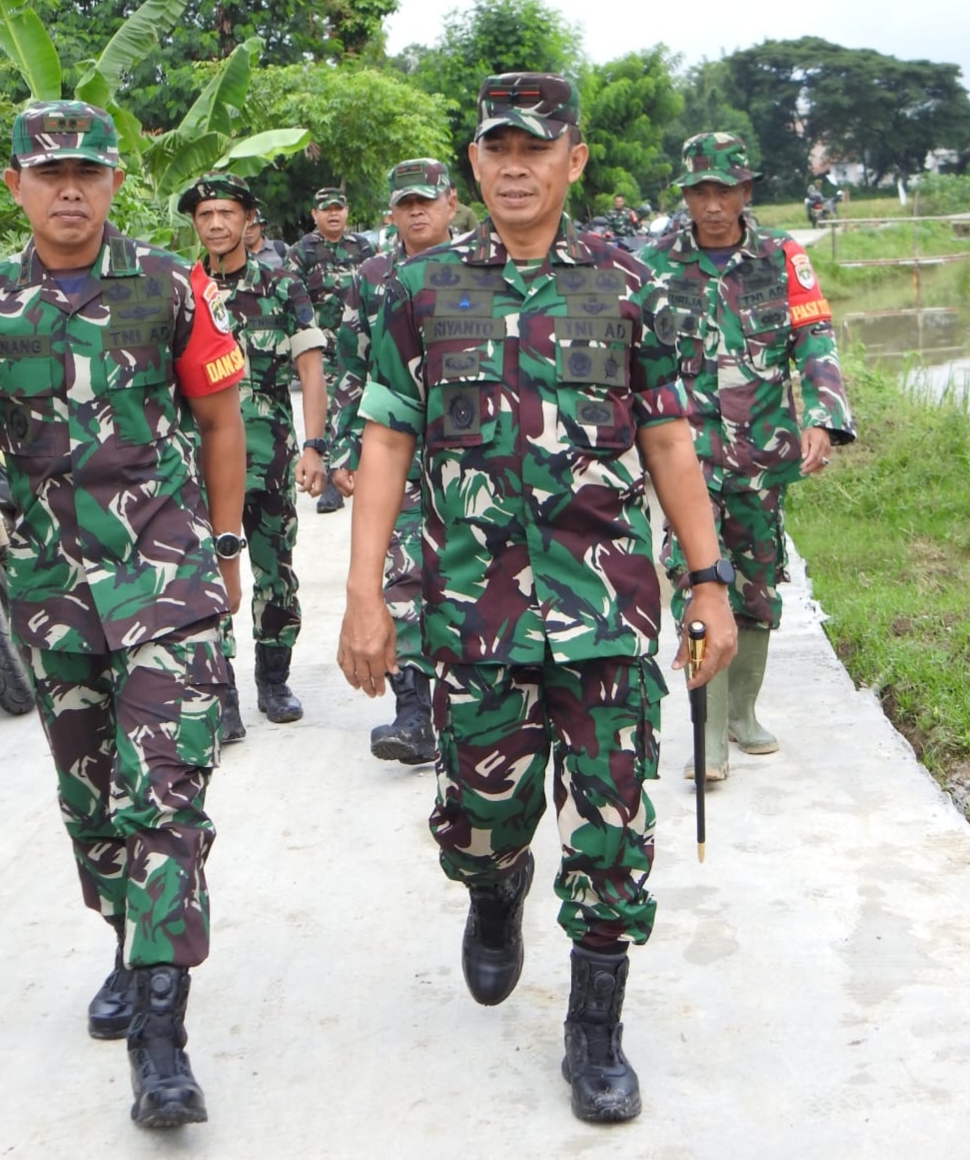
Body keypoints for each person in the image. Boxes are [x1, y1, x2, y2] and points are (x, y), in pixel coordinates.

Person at [337, 73, 737, 1124]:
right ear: (473, 163)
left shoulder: (627, 283)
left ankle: (593, 1029)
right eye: (495, 148)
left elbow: (666, 440)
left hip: (604, 608)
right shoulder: (421, 292)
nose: (513, 165)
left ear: (573, 160)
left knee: (611, 827)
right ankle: (491, 885)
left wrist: (708, 580)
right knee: (478, 816)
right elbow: (384, 438)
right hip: (472, 614)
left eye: (534, 147)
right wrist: (363, 592)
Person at [0, 101, 247, 1131]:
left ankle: (162, 1036)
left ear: (115, 180)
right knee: (91, 806)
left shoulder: (173, 285)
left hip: (166, 577)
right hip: (51, 590)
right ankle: (129, 941)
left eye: (87, 170)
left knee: (162, 797)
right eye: (49, 173)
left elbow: (220, 419)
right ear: (17, 186)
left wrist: (224, 548)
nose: (69, 188)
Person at [640, 132, 855, 781]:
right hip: (686, 467)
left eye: (723, 190)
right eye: (700, 190)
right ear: (686, 195)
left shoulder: (781, 258)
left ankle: (742, 715)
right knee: (697, 585)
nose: (712, 203)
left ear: (745, 191)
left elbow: (814, 339)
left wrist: (823, 418)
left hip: (761, 459)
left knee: (757, 588)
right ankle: (706, 738)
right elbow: (624, 361)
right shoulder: (654, 266)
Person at [179, 171, 329, 738]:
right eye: (205, 216)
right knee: (206, 574)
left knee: (275, 572)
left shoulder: (280, 282)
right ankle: (222, 695)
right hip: (200, 461)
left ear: (246, 220)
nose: (216, 224)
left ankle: (273, 679)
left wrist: (314, 445)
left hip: (269, 458)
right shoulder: (184, 286)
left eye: (226, 213)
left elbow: (310, 369)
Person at [330, 158, 457, 765]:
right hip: (396, 452)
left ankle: (462, 705)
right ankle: (412, 712)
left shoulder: (478, 268)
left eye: (426, 201)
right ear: (390, 211)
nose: (416, 211)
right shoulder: (372, 277)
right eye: (405, 202)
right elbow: (351, 369)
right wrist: (342, 448)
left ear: (450, 204)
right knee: (400, 575)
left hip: (468, 455)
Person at [285, 187, 374, 513]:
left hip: (358, 345)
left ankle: (359, 471)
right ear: (315, 214)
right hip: (321, 348)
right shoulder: (302, 251)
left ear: (346, 212)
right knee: (330, 410)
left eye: (338, 208)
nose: (333, 214)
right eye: (326, 209)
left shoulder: (363, 247)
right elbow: (291, 295)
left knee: (359, 411)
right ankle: (332, 480)